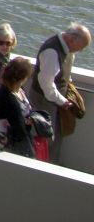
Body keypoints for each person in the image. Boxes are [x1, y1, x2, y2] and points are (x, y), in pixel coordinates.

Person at [28, 22, 92, 163]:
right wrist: (63, 101)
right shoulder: (52, 52)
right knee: (45, 138)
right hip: (44, 101)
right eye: (80, 47)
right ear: (71, 39)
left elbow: (64, 74)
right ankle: (40, 168)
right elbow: (47, 85)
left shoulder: (66, 49)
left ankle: (50, 164)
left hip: (55, 101)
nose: (79, 50)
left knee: (55, 136)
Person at [0, 57, 36, 158]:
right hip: (8, 143)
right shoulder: (6, 95)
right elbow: (17, 124)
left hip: (17, 139)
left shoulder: (19, 90)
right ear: (23, 77)